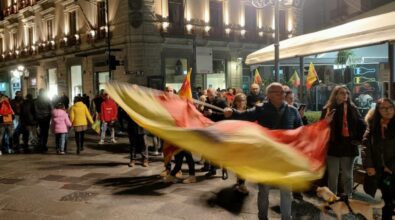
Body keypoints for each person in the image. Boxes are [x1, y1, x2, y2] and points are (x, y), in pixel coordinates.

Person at [224, 82, 303, 220]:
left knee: (286, 191)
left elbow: (301, 131)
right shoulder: (260, 109)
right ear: (269, 95)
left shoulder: (293, 111)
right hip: (266, 157)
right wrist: (231, 112)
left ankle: (286, 218)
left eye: (283, 92)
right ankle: (262, 217)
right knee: (264, 190)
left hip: (285, 158)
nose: (282, 94)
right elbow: (244, 116)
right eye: (278, 92)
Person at [320, 85, 365, 198]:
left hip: (348, 145)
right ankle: (332, 198)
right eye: (342, 93)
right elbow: (321, 126)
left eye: (346, 93)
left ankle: (348, 197)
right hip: (333, 145)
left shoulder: (352, 108)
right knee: (333, 175)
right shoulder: (328, 109)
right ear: (336, 95)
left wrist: (358, 139)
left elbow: (362, 124)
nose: (345, 95)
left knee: (347, 174)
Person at [363, 98, 395, 219]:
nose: (387, 110)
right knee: (387, 199)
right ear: (378, 110)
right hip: (380, 170)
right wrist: (369, 165)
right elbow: (366, 147)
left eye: (390, 107)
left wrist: (390, 167)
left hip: (392, 169)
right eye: (383, 108)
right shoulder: (373, 125)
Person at [202, 88, 228, 177]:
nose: (210, 97)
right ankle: (212, 169)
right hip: (210, 128)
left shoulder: (221, 102)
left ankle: (223, 168)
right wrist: (204, 113)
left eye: (211, 95)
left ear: (215, 94)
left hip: (219, 128)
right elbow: (204, 112)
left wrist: (212, 113)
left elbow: (226, 115)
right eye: (208, 95)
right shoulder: (207, 102)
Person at [231, 93, 249, 194]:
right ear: (235, 102)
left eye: (242, 101)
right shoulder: (232, 112)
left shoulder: (249, 112)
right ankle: (240, 181)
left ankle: (241, 183)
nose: (240, 103)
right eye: (238, 101)